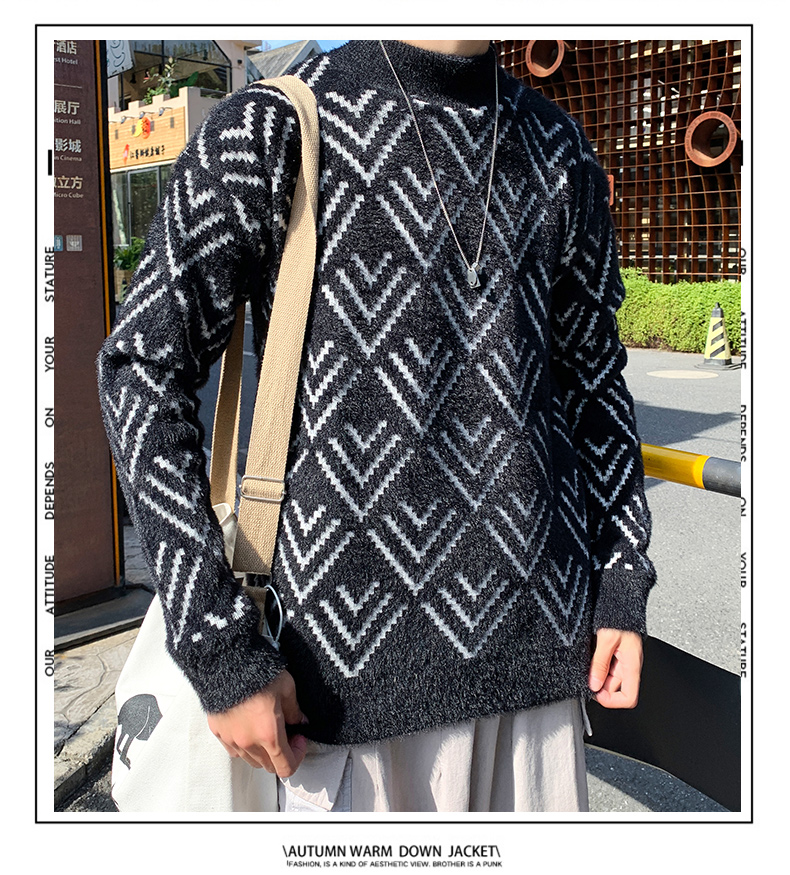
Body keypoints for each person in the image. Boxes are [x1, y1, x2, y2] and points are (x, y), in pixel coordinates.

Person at [97, 39, 656, 812]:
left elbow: (595, 381)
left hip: (539, 677)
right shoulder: (270, 127)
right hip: (333, 696)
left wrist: (622, 575)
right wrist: (218, 645)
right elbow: (141, 368)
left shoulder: (559, 148)